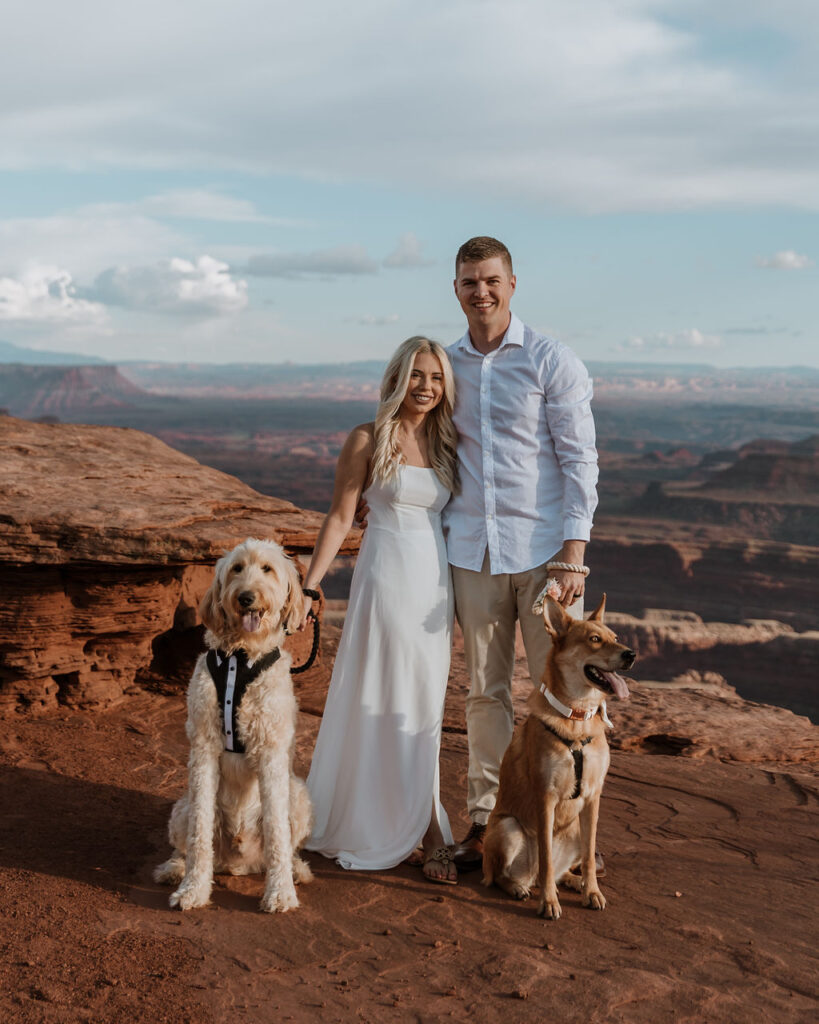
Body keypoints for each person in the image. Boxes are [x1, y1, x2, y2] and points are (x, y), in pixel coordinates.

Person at [444, 236, 599, 870]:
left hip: (544, 559)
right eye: (468, 282)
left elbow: (579, 457)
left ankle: (568, 832)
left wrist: (573, 553)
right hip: (472, 554)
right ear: (456, 290)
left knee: (567, 697)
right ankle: (489, 820)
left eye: (490, 280)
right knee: (486, 692)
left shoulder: (549, 360)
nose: (480, 291)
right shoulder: (446, 362)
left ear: (512, 284)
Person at [302, 337, 461, 884]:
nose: (426, 387)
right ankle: (403, 824)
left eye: (436, 378)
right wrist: (309, 585)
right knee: (386, 688)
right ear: (397, 378)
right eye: (416, 375)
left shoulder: (447, 443)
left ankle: (425, 818)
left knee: (425, 700)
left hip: (434, 585)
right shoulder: (368, 438)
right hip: (387, 576)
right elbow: (341, 515)